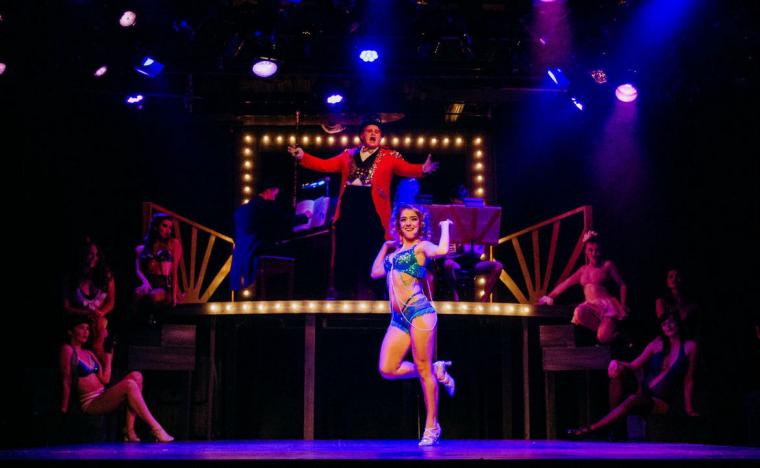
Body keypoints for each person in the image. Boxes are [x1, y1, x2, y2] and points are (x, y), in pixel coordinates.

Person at [288, 118, 440, 299]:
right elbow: (325, 165)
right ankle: (343, 292)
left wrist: (422, 169)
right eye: (369, 130)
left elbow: (405, 168)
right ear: (362, 135)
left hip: (372, 210)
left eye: (377, 131)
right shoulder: (348, 155)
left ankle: (376, 293)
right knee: (346, 250)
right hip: (349, 208)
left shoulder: (390, 156)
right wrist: (303, 157)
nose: (374, 133)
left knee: (373, 249)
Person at [370, 204, 456, 446]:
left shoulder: (421, 247)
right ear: (398, 225)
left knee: (423, 369)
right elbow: (375, 272)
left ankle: (432, 426)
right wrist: (385, 246)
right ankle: (436, 369)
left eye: (413, 219)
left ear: (420, 224)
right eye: (404, 220)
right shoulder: (393, 256)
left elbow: (441, 250)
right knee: (387, 368)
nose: (408, 223)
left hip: (419, 312)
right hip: (398, 320)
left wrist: (445, 227)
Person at [567, 310, 699, 438]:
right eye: (664, 324)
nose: (668, 326)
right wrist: (616, 362)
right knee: (618, 373)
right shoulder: (657, 344)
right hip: (644, 392)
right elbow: (633, 365)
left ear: (678, 323)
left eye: (671, 322)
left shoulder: (690, 346)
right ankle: (614, 427)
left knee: (632, 399)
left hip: (661, 401)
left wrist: (689, 409)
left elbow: (689, 379)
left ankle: (591, 429)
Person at [59, 315, 174, 442]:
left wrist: (109, 354)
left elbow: (105, 379)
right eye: (81, 328)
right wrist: (64, 410)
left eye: (87, 328)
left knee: (137, 376)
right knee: (129, 385)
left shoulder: (89, 353)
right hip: (90, 402)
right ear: (70, 331)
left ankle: (129, 431)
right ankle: (157, 429)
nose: (86, 332)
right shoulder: (68, 350)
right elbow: (66, 380)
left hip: (102, 395)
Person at [538, 230, 628, 344]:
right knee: (579, 312)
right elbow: (564, 284)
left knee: (602, 337)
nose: (594, 254)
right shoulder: (583, 270)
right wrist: (548, 297)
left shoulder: (607, 265)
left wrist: (623, 304)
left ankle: (618, 335)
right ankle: (606, 332)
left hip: (607, 307)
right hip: (591, 308)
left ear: (601, 251)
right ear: (586, 251)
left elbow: (622, 285)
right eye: (590, 250)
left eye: (597, 250)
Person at [230, 178, 310, 293]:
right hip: (256, 252)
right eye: (275, 194)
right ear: (268, 191)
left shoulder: (242, 209)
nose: (275, 197)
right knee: (297, 253)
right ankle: (290, 293)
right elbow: (283, 221)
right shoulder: (264, 206)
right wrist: (305, 216)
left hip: (240, 257)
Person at [439, 185, 503, 302]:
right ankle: (455, 295)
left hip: (473, 263)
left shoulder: (475, 221)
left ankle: (484, 300)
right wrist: (456, 248)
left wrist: (469, 247)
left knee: (498, 266)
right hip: (456, 261)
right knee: (448, 264)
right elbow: (445, 252)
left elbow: (479, 252)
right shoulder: (447, 220)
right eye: (455, 205)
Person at [63, 237, 115, 363]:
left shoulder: (106, 276)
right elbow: (66, 306)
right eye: (90, 254)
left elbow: (111, 302)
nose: (93, 258)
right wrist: (86, 312)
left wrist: (100, 312)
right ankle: (101, 367)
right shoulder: (72, 277)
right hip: (79, 317)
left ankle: (104, 368)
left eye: (97, 255)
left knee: (101, 329)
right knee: (91, 329)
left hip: (99, 317)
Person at [134, 213, 183, 322]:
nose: (168, 230)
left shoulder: (174, 244)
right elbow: (138, 269)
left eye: (170, 227)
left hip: (166, 285)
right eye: (164, 226)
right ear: (156, 226)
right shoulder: (145, 247)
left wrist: (174, 295)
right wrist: (145, 282)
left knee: (154, 296)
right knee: (137, 293)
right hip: (150, 282)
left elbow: (174, 272)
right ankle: (137, 326)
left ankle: (152, 321)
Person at [655, 268, 701, 340]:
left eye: (678, 276)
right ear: (667, 282)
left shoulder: (692, 303)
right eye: (671, 277)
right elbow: (664, 326)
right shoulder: (661, 302)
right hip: (670, 342)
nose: (674, 279)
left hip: (690, 340)